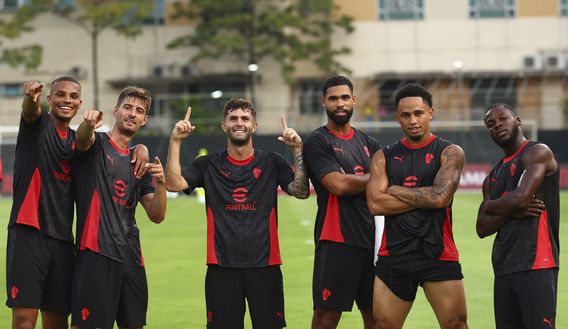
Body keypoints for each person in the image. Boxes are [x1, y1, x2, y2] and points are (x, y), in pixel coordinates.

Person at [165, 98, 309, 329]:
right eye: (233, 118)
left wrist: (297, 150)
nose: (239, 123)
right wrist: (175, 141)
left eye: (245, 119)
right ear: (224, 125)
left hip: (265, 265)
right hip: (221, 267)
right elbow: (173, 185)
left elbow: (300, 192)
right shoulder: (208, 164)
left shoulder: (272, 161)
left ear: (254, 126)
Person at [366, 83, 468, 329]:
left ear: (431, 112)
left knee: (456, 325)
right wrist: (427, 197)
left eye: (418, 113)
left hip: (438, 252)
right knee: (382, 326)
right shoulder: (383, 156)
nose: (413, 120)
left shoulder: (450, 152)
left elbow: (440, 197)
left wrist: (397, 190)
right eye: (406, 115)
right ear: (397, 118)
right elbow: (375, 203)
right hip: (394, 254)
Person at [70, 86, 166, 329]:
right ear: (116, 111)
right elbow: (82, 140)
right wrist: (88, 123)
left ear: (145, 120)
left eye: (139, 110)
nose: (132, 113)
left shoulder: (140, 161)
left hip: (132, 259)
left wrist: (162, 184)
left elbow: (156, 215)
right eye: (127, 107)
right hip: (96, 254)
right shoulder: (96, 144)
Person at [304, 75, 380, 329]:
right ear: (324, 102)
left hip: (372, 241)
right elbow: (338, 185)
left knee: (377, 315)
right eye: (333, 98)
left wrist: (371, 181)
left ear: (354, 100)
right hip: (336, 240)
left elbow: (381, 190)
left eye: (345, 97)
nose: (340, 103)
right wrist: (376, 177)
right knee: (327, 316)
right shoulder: (318, 141)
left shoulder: (369, 143)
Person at [5, 77, 82, 329]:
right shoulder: (38, 124)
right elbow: (30, 111)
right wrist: (30, 98)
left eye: (72, 96)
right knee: (25, 320)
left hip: (62, 240)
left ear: (79, 103)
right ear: (50, 99)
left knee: (58, 319)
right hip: (29, 232)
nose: (66, 100)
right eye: (60, 94)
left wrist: (141, 149)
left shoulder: (79, 142)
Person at [476, 103, 559, 329]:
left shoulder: (537, 152)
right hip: (503, 266)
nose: (498, 125)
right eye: (491, 124)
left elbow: (522, 198)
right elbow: (482, 228)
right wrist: (511, 207)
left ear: (518, 120)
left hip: (536, 262)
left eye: (503, 118)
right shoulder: (491, 176)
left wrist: (493, 205)